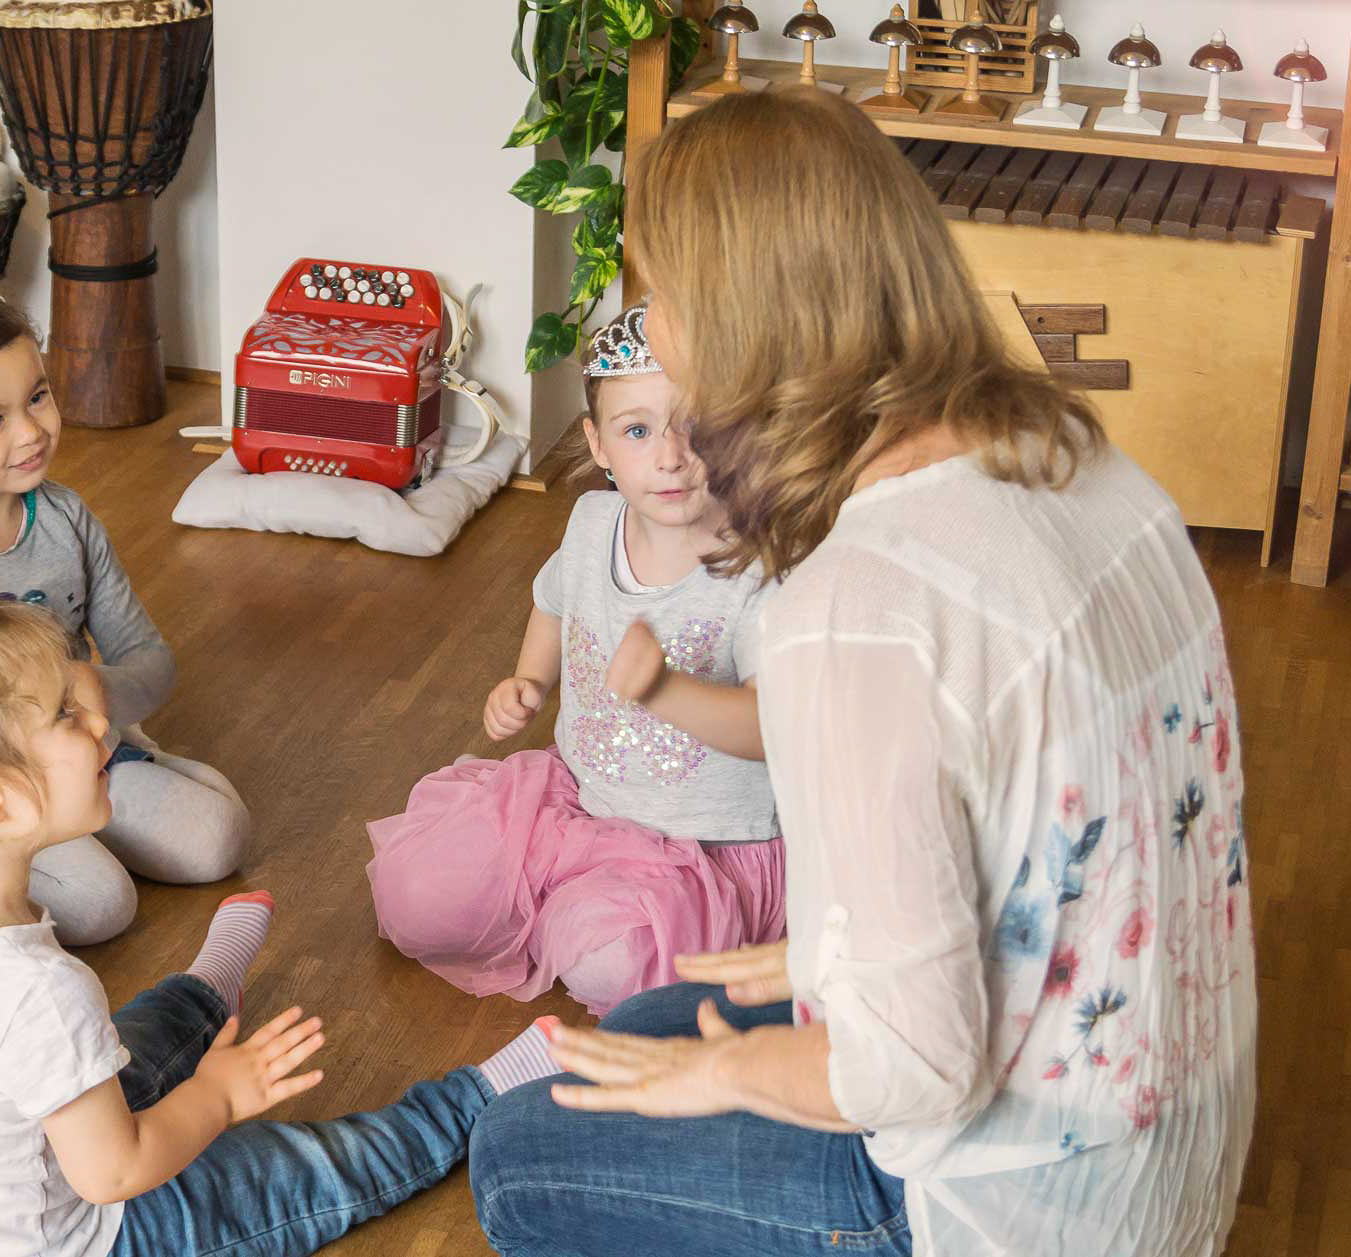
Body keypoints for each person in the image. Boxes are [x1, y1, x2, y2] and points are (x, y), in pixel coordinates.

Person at [469, 87, 1255, 1257]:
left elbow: (914, 1071)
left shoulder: (853, 612)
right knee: (645, 1018)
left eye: (661, 297)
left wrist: (730, 1073)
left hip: (1000, 1209)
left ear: (742, 318)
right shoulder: (1081, 464)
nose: (653, 329)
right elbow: (1068, 836)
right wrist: (819, 958)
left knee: (520, 1153)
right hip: (1168, 1141)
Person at [0, 594, 562, 1256]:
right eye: (68, 715)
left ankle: (207, 989)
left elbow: (40, 1070)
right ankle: (476, 1094)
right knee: (306, 1168)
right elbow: (113, 1170)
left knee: (112, 1050)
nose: (101, 723)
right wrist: (217, 1094)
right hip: (85, 1235)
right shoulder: (32, 992)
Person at [367, 304, 782, 1015]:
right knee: (417, 894)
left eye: (697, 425)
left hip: (703, 844)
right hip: (576, 800)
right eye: (638, 430)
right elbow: (555, 600)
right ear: (597, 444)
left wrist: (665, 689)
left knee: (616, 964)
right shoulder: (595, 525)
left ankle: (582, 921)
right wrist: (529, 678)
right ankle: (560, 901)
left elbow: (772, 725)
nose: (671, 454)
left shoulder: (755, 567)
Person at [0, 252, 249, 944]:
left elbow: (151, 659)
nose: (30, 431)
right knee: (99, 903)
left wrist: (98, 689)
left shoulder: (67, 519)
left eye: (37, 396)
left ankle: (109, 804)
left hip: (85, 752)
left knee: (220, 840)